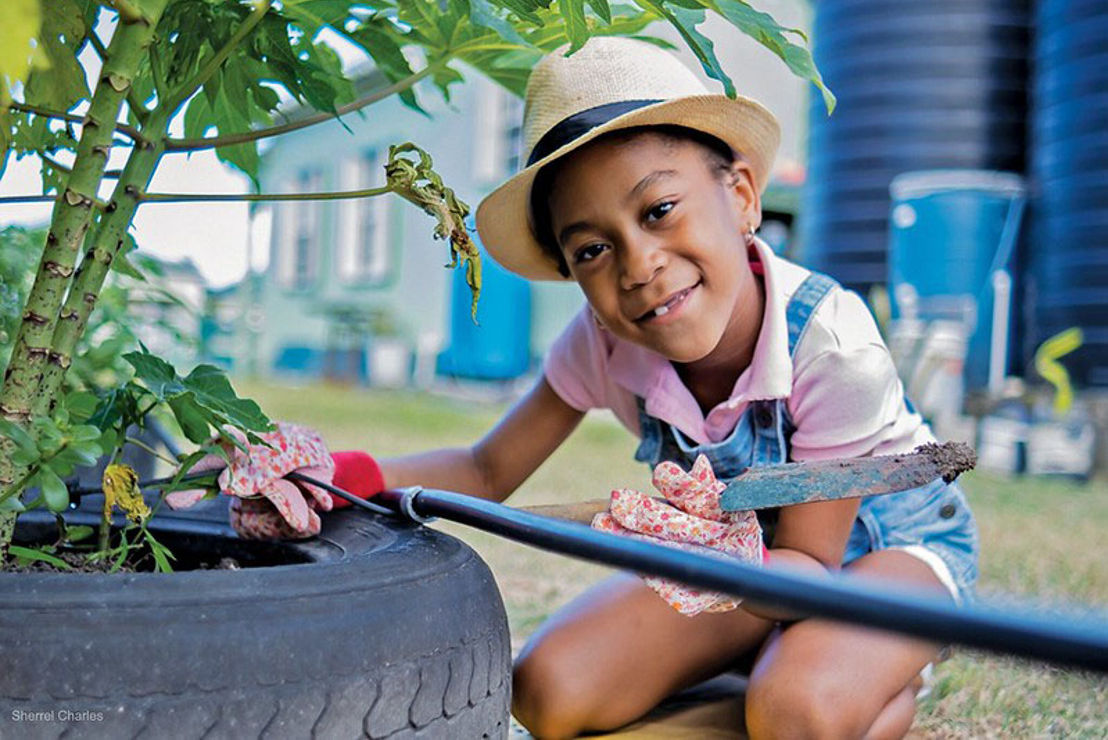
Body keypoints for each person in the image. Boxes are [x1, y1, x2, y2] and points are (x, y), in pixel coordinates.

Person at [200, 37, 978, 740]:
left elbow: (809, 570)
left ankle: (880, 673)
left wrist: (694, 556)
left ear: (741, 195)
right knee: (547, 691)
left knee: (793, 712)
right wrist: (340, 479)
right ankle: (773, 660)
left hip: (882, 551)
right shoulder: (605, 344)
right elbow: (485, 472)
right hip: (742, 568)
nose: (638, 266)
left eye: (660, 210)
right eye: (594, 249)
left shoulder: (831, 342)